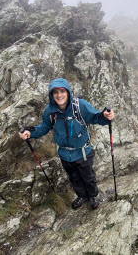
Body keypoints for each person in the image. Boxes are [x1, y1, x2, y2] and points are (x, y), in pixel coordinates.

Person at [19, 78, 114, 210]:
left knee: (88, 177)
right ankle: (82, 196)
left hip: (83, 152)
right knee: (74, 177)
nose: (59, 95)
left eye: (62, 91)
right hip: (64, 154)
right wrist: (30, 133)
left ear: (68, 92)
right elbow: (44, 127)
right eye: (55, 92)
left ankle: (92, 196)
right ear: (51, 95)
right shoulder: (50, 111)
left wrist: (105, 116)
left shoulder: (80, 105)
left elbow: (95, 117)